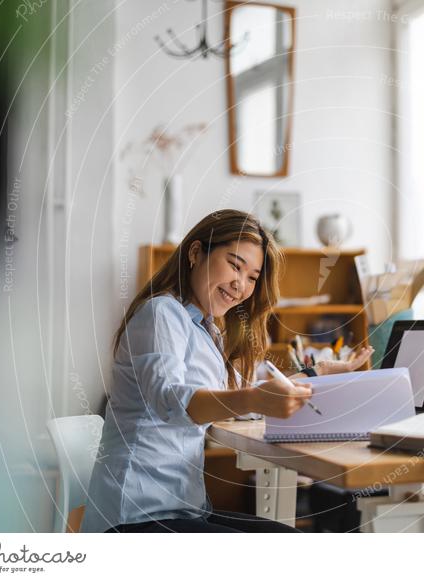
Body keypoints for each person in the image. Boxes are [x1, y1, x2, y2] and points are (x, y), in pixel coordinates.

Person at [81, 210, 373, 533]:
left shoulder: (206, 329)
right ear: (195, 253)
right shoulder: (161, 313)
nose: (241, 285)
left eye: (252, 277)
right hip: (137, 517)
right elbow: (172, 401)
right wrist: (254, 400)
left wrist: (316, 371)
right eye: (235, 265)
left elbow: (247, 386)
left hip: (181, 509)